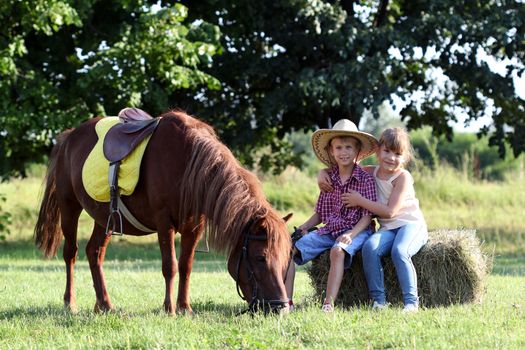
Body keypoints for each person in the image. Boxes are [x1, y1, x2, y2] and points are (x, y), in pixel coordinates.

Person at [318, 127, 428, 313]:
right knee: (370, 248)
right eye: (386, 151)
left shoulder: (403, 177)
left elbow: (390, 212)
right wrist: (321, 173)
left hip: (410, 225)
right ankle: (379, 301)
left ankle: (411, 302)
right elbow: (341, 168)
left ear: (405, 157)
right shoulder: (370, 171)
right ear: (378, 151)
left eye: (397, 154)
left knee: (400, 251)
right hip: (388, 229)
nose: (391, 158)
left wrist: (360, 201)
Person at [285, 119, 378, 312]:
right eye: (339, 147)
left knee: (337, 251)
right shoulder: (329, 179)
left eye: (349, 147)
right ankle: (287, 302)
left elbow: (368, 216)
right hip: (330, 230)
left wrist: (351, 235)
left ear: (358, 150)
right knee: (288, 250)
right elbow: (320, 214)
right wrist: (302, 228)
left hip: (358, 230)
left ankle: (328, 304)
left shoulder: (365, 179)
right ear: (331, 151)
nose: (343, 152)